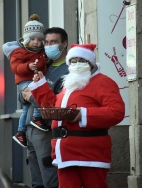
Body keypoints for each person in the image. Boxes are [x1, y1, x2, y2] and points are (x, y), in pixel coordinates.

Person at [28, 43, 125, 188]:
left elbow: (116, 112)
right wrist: (41, 86)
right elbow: (54, 107)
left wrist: (83, 114)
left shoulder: (104, 82)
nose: (77, 64)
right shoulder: (68, 83)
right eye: (73, 61)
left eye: (82, 60)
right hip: (64, 150)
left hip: (90, 150)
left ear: (90, 63)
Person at [10, 27, 69, 188]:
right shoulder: (43, 65)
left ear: (64, 44)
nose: (48, 46)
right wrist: (24, 95)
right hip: (30, 131)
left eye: (54, 42)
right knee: (36, 183)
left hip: (46, 133)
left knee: (50, 180)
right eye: (47, 42)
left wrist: (32, 97)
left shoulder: (67, 71)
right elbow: (22, 97)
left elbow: (57, 103)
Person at [2, 14, 49, 149]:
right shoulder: (19, 52)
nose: (36, 42)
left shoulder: (41, 52)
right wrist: (28, 66)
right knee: (37, 95)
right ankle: (37, 117)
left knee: (25, 108)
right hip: (25, 82)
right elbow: (15, 67)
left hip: (35, 80)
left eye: (39, 40)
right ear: (26, 39)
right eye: (33, 39)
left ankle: (20, 132)